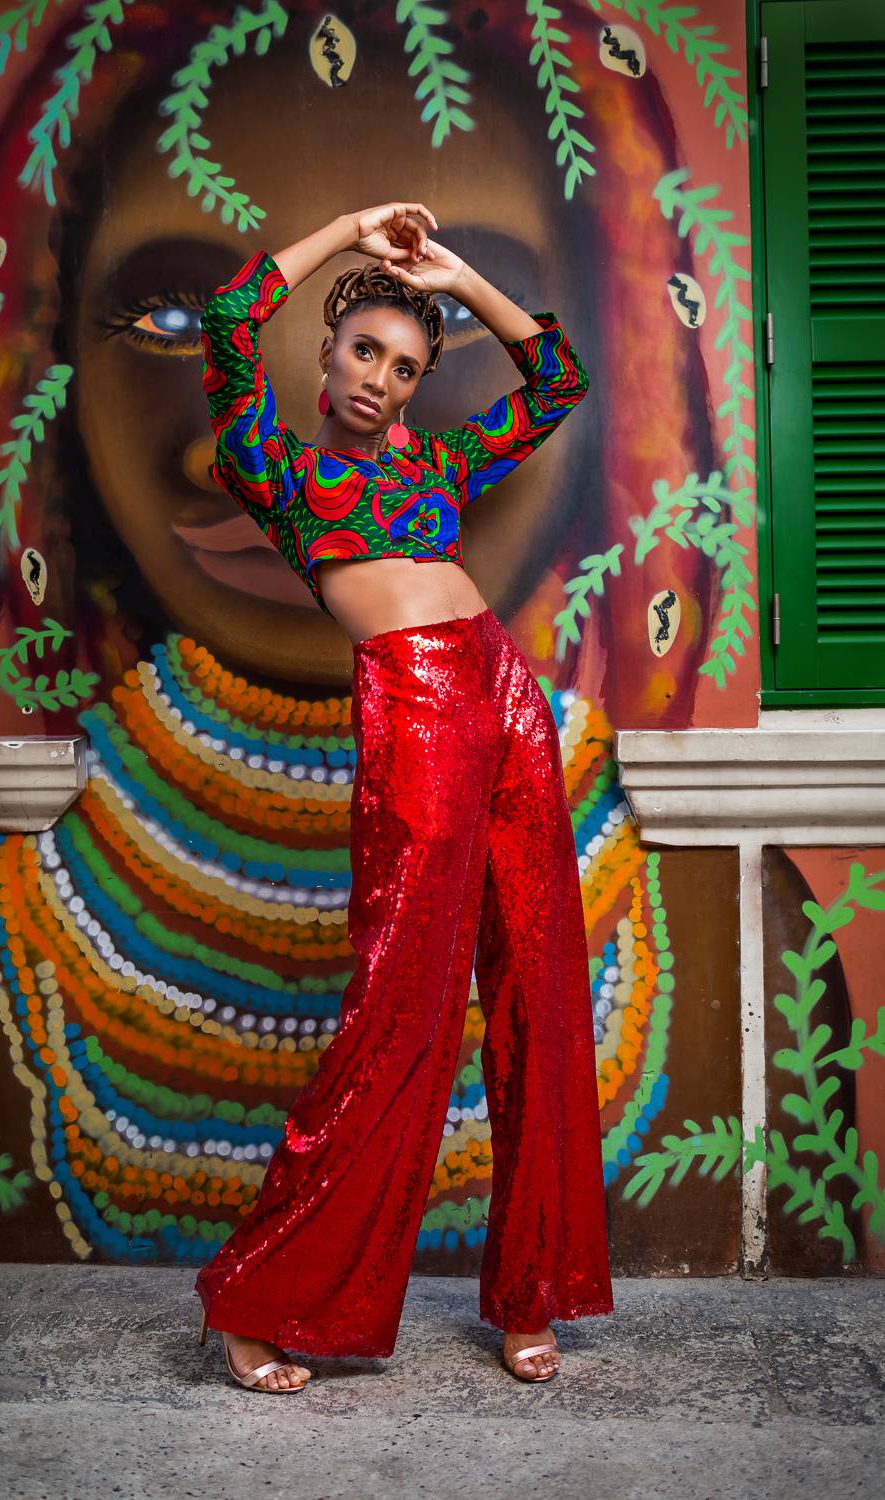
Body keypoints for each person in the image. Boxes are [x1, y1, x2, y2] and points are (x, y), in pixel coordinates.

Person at [193, 202, 614, 1393]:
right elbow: (228, 318)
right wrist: (348, 232)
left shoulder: (434, 464)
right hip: (416, 710)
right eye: (365, 352)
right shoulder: (272, 464)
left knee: (537, 988)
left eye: (406, 367)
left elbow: (558, 381)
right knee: (401, 1006)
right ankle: (258, 1300)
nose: (380, 379)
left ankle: (530, 1293)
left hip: (506, 698)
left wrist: (455, 277)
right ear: (325, 357)